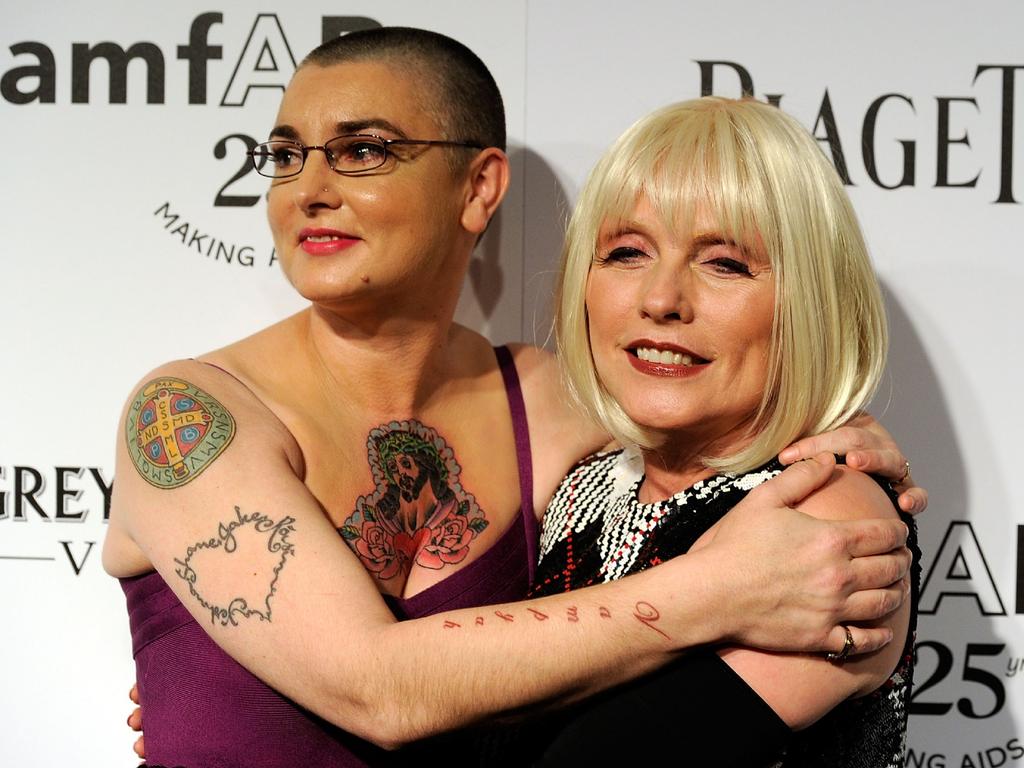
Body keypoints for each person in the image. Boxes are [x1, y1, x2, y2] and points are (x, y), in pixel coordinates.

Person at [104, 28, 920, 767]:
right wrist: (721, 590)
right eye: (287, 154)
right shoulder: (184, 416)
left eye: (364, 151)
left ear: (479, 187)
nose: (309, 188)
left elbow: (721, 421)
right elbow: (379, 691)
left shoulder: (554, 406)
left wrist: (840, 441)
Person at [488, 96, 920, 766]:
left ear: (809, 302)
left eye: (724, 263)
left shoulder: (824, 512)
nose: (661, 300)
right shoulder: (585, 483)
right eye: (627, 252)